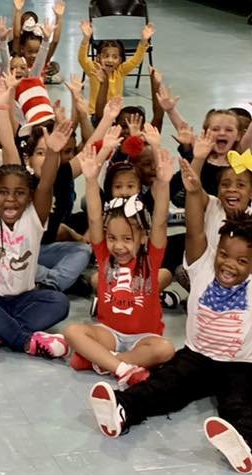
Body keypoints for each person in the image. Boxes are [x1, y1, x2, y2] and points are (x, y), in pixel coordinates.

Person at [88, 162, 252, 474]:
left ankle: (246, 446)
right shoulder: (202, 264)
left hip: (245, 365)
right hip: (197, 356)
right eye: (224, 254)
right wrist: (194, 191)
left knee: (243, 406)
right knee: (164, 386)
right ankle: (123, 408)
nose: (228, 264)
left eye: (241, 260)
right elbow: (195, 228)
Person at [0, 91, 74, 360]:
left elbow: (45, 184)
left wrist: (54, 152)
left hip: (22, 299)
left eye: (20, 193)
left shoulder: (35, 218)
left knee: (59, 303)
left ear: (30, 198)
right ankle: (24, 340)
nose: (10, 199)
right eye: (3, 192)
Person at [63, 141, 177, 387]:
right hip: (109, 333)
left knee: (165, 349)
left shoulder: (150, 258)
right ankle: (123, 367)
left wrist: (164, 183)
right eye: (112, 238)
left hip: (144, 338)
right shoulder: (104, 255)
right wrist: (91, 181)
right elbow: (94, 218)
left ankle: (102, 362)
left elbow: (158, 222)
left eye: (127, 239)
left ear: (142, 238)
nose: (119, 246)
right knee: (73, 331)